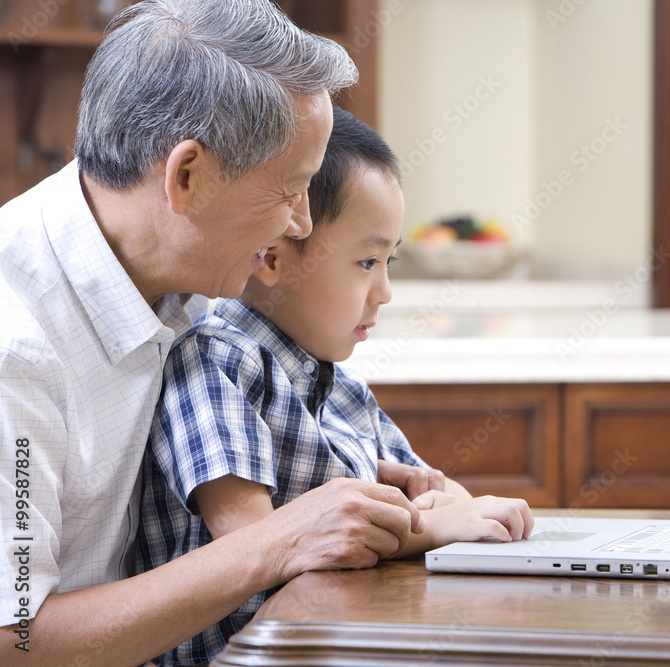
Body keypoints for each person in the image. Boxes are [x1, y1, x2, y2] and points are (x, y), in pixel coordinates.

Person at [0, 1, 438, 663]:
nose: (298, 223)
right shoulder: (17, 346)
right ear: (187, 177)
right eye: (291, 189)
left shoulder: (180, 268)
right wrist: (275, 542)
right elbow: (16, 639)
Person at [136, 107, 534, 665]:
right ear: (271, 255)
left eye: (389, 262)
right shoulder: (214, 362)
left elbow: (445, 501)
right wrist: (430, 526)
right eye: (367, 261)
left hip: (336, 638)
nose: (385, 291)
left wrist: (447, 511)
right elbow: (251, 541)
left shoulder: (340, 386)